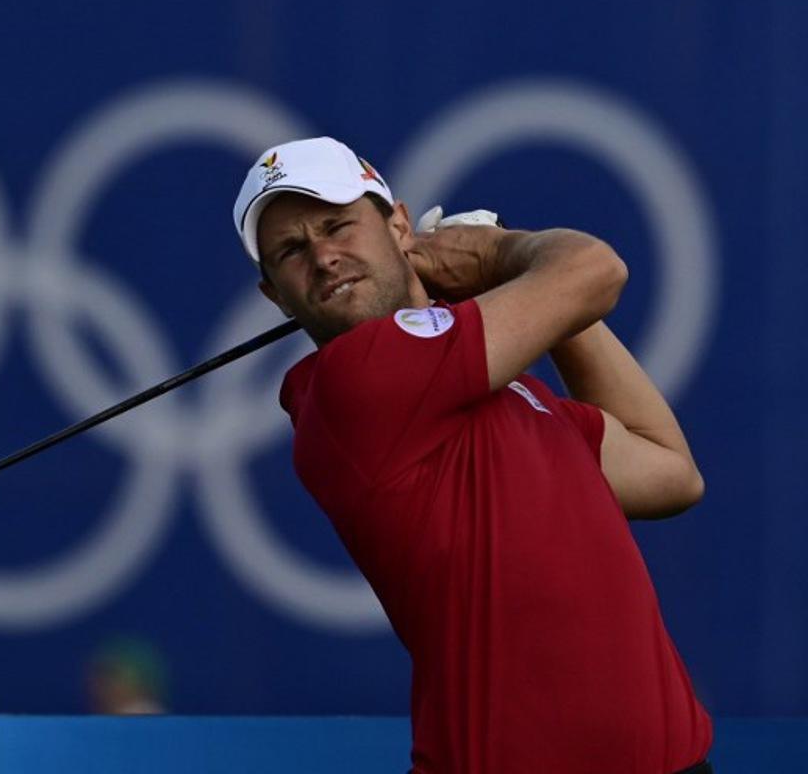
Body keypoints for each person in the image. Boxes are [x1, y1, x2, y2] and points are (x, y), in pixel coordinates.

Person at [232, 137, 713, 773]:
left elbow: (671, 471)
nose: (323, 257)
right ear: (275, 297)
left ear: (399, 225)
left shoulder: (512, 396)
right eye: (292, 251)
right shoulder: (356, 382)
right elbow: (597, 270)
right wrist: (497, 253)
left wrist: (537, 303)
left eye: (338, 224)